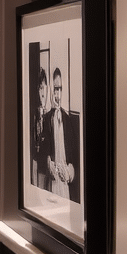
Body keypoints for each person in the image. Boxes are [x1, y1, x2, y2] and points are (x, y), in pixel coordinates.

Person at [43, 68, 80, 201]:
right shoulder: (47, 119)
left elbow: (77, 156)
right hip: (52, 181)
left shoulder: (70, 120)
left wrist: (71, 170)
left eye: (59, 89)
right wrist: (48, 162)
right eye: (55, 90)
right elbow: (43, 150)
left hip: (66, 183)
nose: (57, 95)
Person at [31, 68, 49, 188]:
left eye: (44, 87)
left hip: (46, 161)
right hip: (36, 159)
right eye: (40, 88)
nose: (42, 93)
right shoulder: (35, 113)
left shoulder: (49, 113)